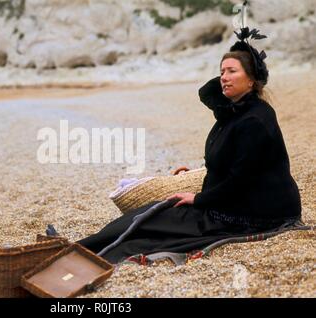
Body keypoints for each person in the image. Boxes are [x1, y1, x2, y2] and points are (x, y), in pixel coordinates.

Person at [74, 27, 302, 263]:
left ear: (252, 80)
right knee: (150, 214)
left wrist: (199, 199)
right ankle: (78, 248)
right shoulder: (232, 114)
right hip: (229, 201)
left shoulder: (255, 120)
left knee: (156, 227)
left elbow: (240, 180)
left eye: (232, 71)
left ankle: (85, 254)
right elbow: (228, 163)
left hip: (258, 212)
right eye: (221, 71)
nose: (223, 77)